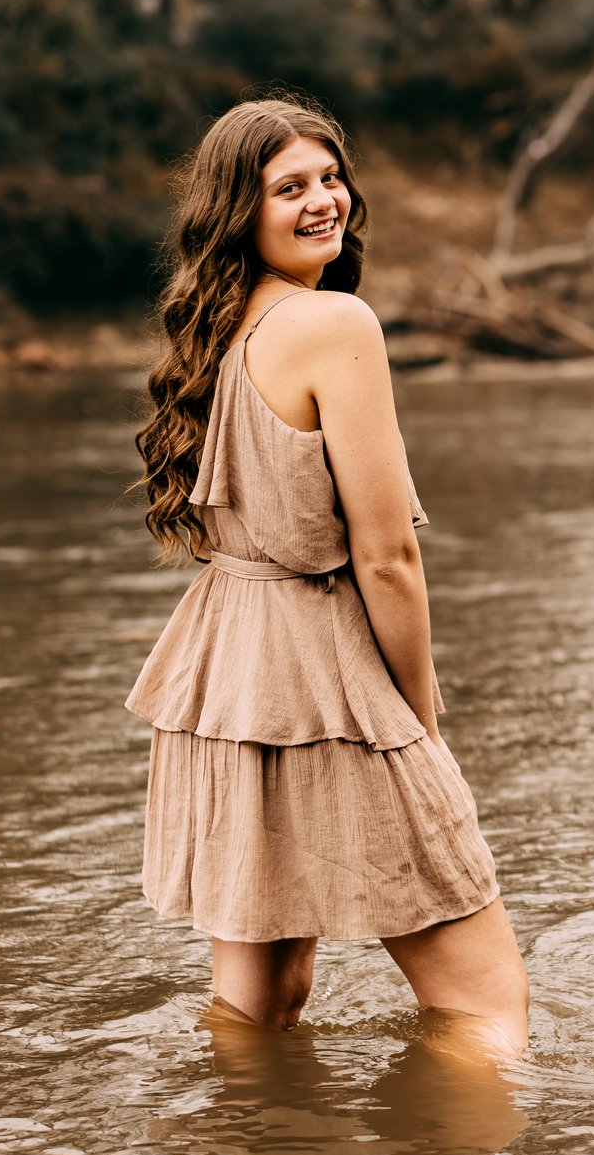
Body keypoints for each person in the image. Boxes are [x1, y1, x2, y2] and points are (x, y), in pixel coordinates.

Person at [127, 94, 529, 1058]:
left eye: (330, 177)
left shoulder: (209, 335)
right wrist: (420, 717)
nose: (324, 201)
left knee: (260, 1007)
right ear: (240, 212)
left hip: (228, 677)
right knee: (487, 1004)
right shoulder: (335, 324)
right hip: (322, 675)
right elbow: (387, 557)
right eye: (288, 187)